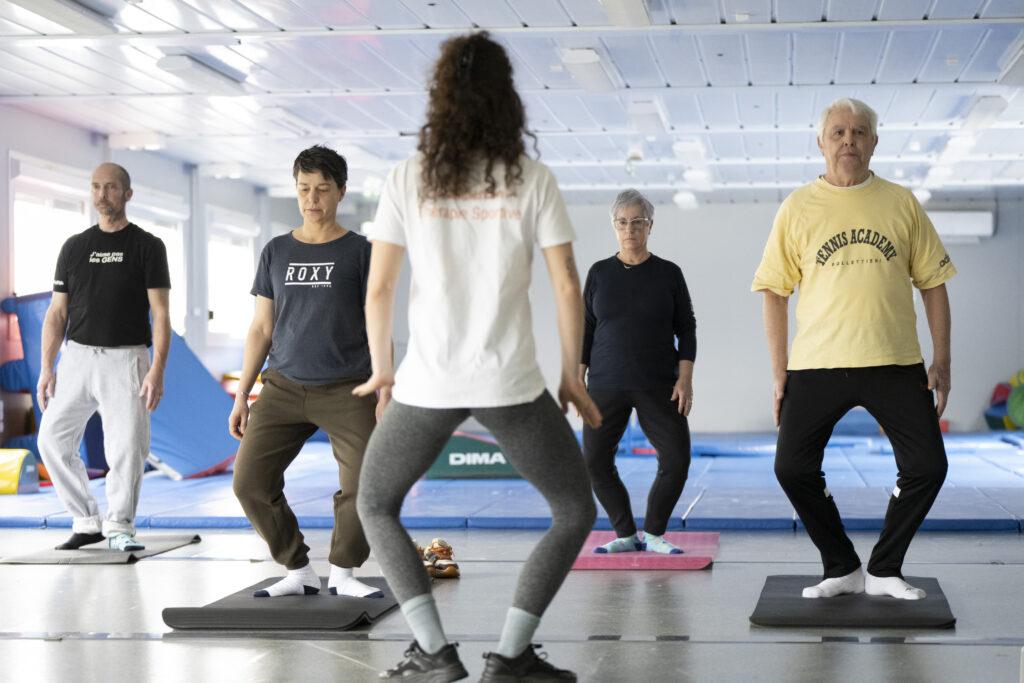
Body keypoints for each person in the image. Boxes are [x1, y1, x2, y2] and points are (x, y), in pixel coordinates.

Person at [355, 32, 601, 682]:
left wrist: (383, 368)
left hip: (427, 381)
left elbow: (379, 288)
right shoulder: (531, 178)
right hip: (509, 381)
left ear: (439, 97)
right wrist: (571, 373)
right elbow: (567, 284)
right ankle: (511, 655)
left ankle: (433, 652)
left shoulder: (407, 177)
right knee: (575, 510)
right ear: (506, 98)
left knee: (374, 503)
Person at [752, 97, 956, 601]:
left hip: (895, 361)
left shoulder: (901, 202)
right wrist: (778, 373)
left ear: (874, 143)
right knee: (792, 468)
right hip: (817, 363)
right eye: (839, 132)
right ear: (821, 143)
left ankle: (884, 568)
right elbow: (774, 291)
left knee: (928, 467)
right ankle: (841, 565)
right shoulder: (797, 207)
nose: (849, 140)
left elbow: (933, 284)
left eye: (859, 132)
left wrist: (942, 360)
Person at [228, 145, 385, 599]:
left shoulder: (361, 252)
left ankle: (344, 571)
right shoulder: (276, 251)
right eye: (303, 189)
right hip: (282, 385)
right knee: (249, 483)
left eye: (322, 189)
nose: (312, 199)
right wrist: (242, 394)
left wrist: (385, 387)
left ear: (341, 192)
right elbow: (261, 327)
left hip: (348, 387)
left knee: (363, 483)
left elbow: (379, 324)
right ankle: (297, 569)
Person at [37, 162, 170, 552]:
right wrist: (47, 368)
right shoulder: (74, 247)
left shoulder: (147, 246)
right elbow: (57, 312)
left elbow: (161, 313)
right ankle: (85, 521)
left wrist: (157, 369)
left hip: (126, 360)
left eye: (110, 187)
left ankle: (119, 526)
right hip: (77, 358)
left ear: (127, 194)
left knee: (127, 447)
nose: (101, 194)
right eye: (95, 186)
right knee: (52, 440)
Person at [580, 189, 696, 555]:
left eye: (637, 222)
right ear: (614, 226)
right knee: (594, 461)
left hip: (659, 382)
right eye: (622, 222)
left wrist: (685, 378)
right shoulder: (599, 273)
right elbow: (586, 328)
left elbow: (687, 328)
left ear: (650, 225)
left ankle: (655, 532)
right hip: (605, 383)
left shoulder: (669, 273)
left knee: (676, 459)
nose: (629, 229)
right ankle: (626, 533)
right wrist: (576, 377)